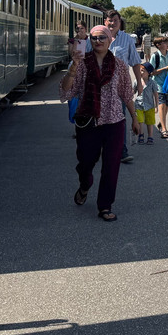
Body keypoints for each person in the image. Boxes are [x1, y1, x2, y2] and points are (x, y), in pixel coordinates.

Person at [60, 25, 139, 222]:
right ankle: (85, 184)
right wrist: (73, 67)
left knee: (111, 166)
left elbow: (126, 94)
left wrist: (134, 118)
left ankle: (105, 205)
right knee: (86, 162)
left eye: (102, 37)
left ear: (110, 39)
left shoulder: (120, 65)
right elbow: (66, 91)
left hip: (114, 122)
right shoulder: (82, 63)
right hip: (89, 122)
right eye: (94, 38)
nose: (98, 41)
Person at [103, 9, 147, 163]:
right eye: (109, 20)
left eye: (115, 20)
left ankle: (122, 152)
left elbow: (135, 62)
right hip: (101, 87)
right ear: (105, 22)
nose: (112, 23)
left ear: (119, 23)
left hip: (120, 87)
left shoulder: (127, 39)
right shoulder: (97, 37)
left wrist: (139, 83)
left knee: (119, 118)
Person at [148, 35, 168, 138]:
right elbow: (151, 72)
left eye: (166, 41)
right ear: (158, 45)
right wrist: (164, 68)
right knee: (161, 104)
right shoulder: (155, 56)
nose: (166, 43)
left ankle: (161, 123)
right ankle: (164, 129)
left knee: (166, 106)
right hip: (158, 85)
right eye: (164, 42)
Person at [66, 21, 89, 127]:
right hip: (74, 68)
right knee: (73, 96)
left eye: (81, 28)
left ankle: (82, 122)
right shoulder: (72, 41)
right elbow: (71, 54)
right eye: (77, 29)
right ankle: (75, 121)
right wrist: (77, 41)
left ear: (86, 29)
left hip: (87, 69)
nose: (79, 31)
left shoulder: (91, 40)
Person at [134, 61, 159, 144]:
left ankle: (150, 136)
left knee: (150, 122)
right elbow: (133, 91)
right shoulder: (136, 81)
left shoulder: (152, 83)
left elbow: (155, 94)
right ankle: (141, 135)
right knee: (140, 121)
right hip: (139, 104)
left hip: (150, 105)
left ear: (149, 73)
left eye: (143, 71)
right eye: (140, 70)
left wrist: (156, 106)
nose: (141, 72)